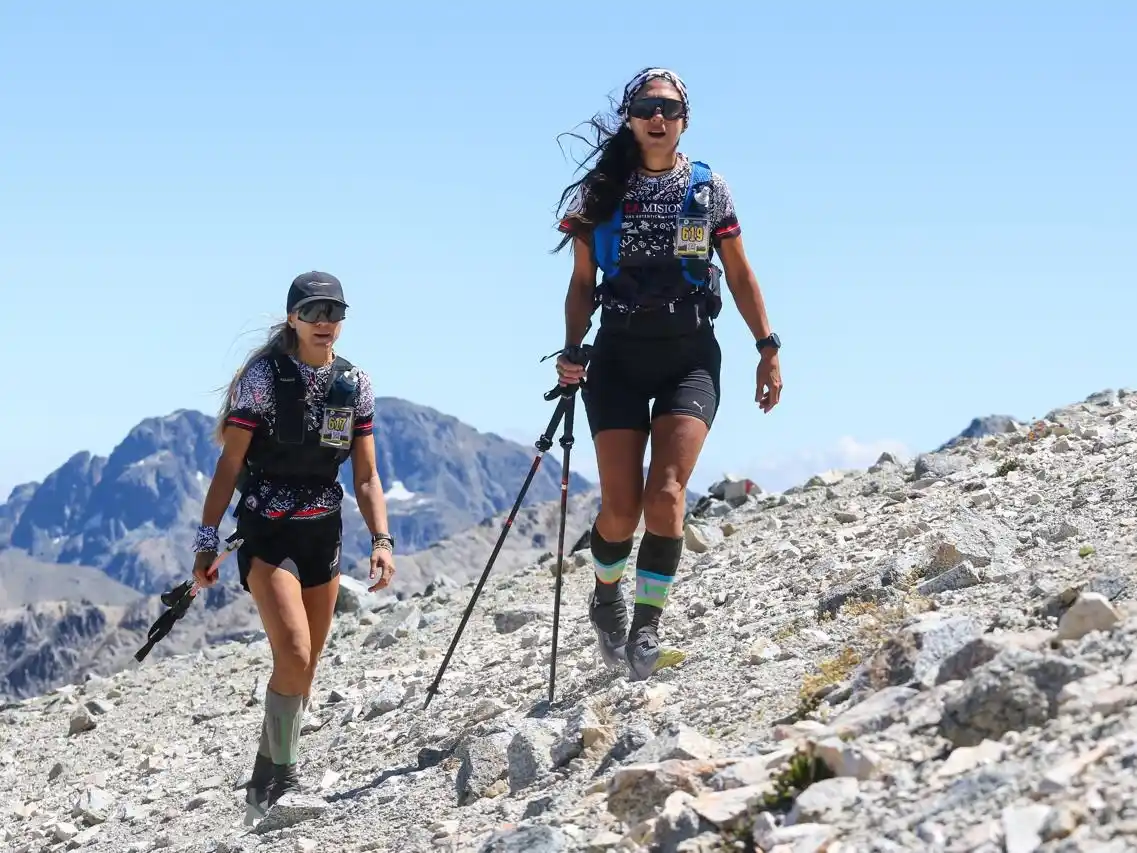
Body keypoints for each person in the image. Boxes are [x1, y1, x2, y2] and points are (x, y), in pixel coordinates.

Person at [551, 67, 783, 682]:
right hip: (619, 360)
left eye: (671, 108)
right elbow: (581, 284)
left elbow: (738, 271)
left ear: (685, 120)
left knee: (668, 495)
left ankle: (647, 628)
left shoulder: (710, 191)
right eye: (647, 107)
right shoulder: (599, 195)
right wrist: (571, 350)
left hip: (690, 358)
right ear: (629, 118)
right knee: (622, 512)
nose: (659, 117)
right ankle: (606, 594)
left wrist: (768, 345)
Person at [191, 271, 396, 816]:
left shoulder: (355, 386)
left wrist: (382, 539)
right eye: (314, 311)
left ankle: (273, 764)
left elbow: (368, 477)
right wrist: (206, 543)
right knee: (296, 652)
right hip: (268, 533)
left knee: (306, 666)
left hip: (323, 534)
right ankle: (275, 777)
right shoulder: (261, 380)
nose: (326, 322)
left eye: (335, 312)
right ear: (293, 318)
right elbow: (230, 463)